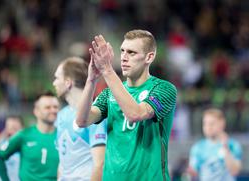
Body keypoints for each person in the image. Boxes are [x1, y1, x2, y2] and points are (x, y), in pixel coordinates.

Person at [75, 29, 177, 181]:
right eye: (122, 51)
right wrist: (91, 79)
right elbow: (82, 120)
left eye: (132, 53)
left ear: (149, 57)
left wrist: (107, 70)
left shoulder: (164, 89)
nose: (123, 57)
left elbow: (136, 114)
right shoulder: (109, 93)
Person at [53, 57, 107, 181]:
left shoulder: (95, 115)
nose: (54, 83)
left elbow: (100, 164)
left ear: (68, 82)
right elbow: (62, 161)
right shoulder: (61, 116)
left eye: (57, 78)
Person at [0, 92, 60, 181]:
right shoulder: (24, 135)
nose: (53, 110)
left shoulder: (63, 136)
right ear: (36, 111)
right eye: (47, 107)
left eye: (55, 107)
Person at [188, 108, 243, 181]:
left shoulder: (233, 145)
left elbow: (234, 171)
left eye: (211, 124)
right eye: (205, 124)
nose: (208, 127)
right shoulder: (198, 147)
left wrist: (225, 147)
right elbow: (193, 172)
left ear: (222, 124)